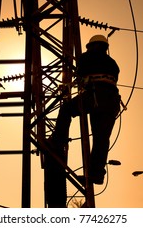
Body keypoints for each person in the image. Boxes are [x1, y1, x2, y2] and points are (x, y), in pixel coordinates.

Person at [45, 34, 121, 207]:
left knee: (66, 109)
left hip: (94, 97)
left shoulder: (87, 57)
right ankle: (96, 173)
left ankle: (58, 140)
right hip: (111, 102)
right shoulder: (113, 63)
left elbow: (80, 74)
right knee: (101, 138)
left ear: (93, 46)